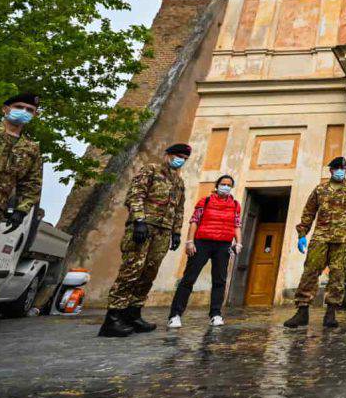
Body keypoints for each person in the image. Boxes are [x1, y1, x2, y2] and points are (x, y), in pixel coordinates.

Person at [99, 143, 190, 337]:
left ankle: (133, 314)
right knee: (131, 270)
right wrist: (139, 220)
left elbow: (179, 209)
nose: (180, 159)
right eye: (177, 155)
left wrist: (176, 232)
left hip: (163, 232)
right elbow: (135, 194)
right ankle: (113, 318)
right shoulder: (151, 170)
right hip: (143, 227)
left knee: (149, 272)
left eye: (184, 157)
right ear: (167, 155)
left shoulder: (179, 182)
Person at [283, 156, 346, 329]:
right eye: (337, 168)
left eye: (343, 168)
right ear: (331, 170)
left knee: (338, 275)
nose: (341, 171)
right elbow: (309, 212)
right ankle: (302, 312)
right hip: (321, 237)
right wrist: (302, 233)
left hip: (345, 238)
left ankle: (331, 313)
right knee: (310, 271)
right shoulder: (320, 190)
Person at [168, 175, 242, 328]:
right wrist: (190, 241)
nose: (226, 187)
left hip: (223, 245)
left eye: (229, 185)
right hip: (202, 242)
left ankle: (215, 314)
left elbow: (237, 224)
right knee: (189, 278)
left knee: (219, 281)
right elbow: (194, 221)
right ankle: (175, 315)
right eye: (223, 184)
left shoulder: (235, 204)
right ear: (217, 185)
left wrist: (239, 242)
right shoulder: (205, 201)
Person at [0, 93, 43, 255]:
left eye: (30, 110)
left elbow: (32, 183)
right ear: (5, 109)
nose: (24, 111)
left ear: (34, 115)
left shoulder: (31, 148)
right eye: (19, 107)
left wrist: (21, 210)